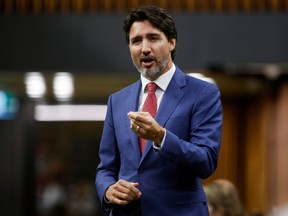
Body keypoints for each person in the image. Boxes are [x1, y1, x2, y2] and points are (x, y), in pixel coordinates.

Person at [95, 5, 222, 216]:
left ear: (171, 42)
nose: (144, 48)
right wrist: (108, 190)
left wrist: (161, 137)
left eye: (153, 38)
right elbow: (105, 169)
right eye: (136, 41)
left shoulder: (202, 93)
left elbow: (206, 160)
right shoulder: (117, 101)